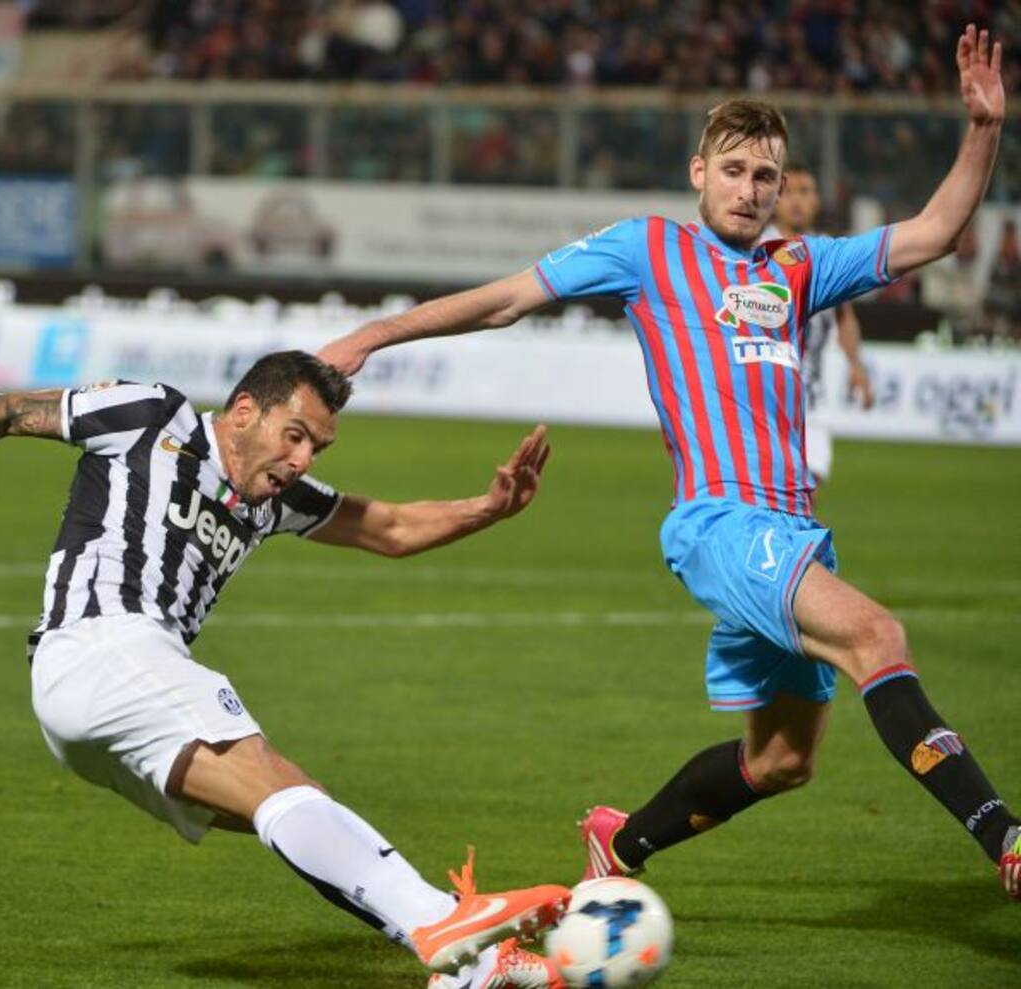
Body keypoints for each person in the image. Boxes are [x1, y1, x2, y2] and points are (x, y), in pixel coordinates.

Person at [319, 24, 1019, 909]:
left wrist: (984, 128)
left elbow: (935, 233)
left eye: (766, 176)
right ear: (699, 173)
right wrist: (373, 335)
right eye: (733, 170)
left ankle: (622, 840)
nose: (751, 190)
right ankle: (1006, 838)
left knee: (782, 760)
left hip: (794, 530)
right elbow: (505, 299)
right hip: (722, 522)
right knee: (877, 637)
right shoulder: (647, 249)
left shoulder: (797, 269)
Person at [0, 351, 570, 989]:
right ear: (245, 411)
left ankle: (469, 966)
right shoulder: (151, 415)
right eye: (295, 435)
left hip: (98, 703)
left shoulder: (276, 499)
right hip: (102, 644)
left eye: (317, 447)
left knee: (291, 797)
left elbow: (388, 528)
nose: (303, 460)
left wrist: (488, 507)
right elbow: (9, 410)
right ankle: (440, 920)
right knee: (271, 777)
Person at [761, 164, 873, 489]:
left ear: (817, 201)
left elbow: (845, 316)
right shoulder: (757, 249)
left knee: (806, 493)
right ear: (775, 198)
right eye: (789, 192)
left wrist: (856, 366)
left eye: (805, 192)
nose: (797, 200)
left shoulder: (828, 253)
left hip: (812, 395)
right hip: (763, 393)